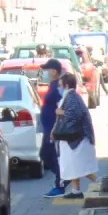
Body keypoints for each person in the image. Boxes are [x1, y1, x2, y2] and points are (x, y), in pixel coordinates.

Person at [53, 72, 98, 200]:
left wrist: (60, 112)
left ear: (66, 85)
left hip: (76, 139)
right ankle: (76, 190)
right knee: (75, 166)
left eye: (60, 85)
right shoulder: (71, 97)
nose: (59, 88)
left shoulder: (72, 98)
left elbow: (73, 116)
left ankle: (100, 182)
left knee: (80, 166)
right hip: (74, 139)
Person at [39, 59, 66, 199]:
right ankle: (62, 179)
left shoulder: (58, 86)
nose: (46, 72)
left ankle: (61, 182)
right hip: (49, 127)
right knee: (46, 154)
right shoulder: (53, 85)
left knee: (51, 155)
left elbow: (62, 105)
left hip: (54, 127)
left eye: (47, 69)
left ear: (54, 71)